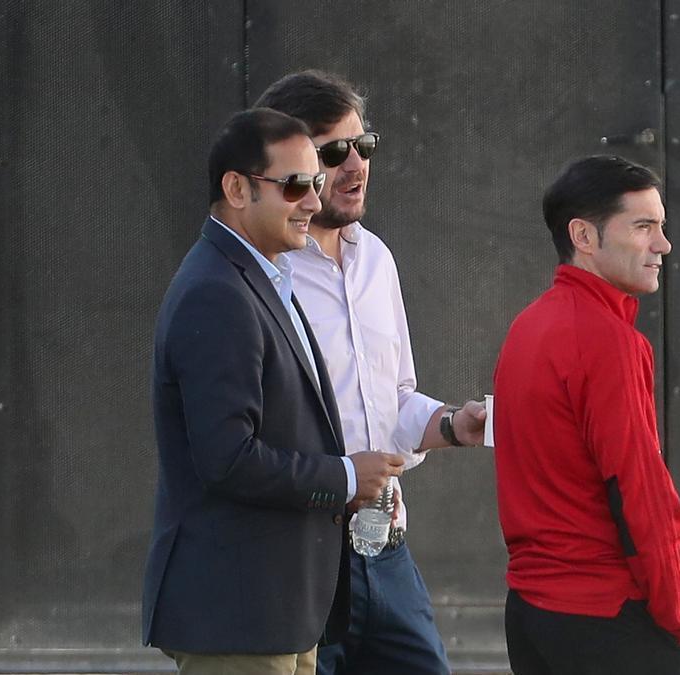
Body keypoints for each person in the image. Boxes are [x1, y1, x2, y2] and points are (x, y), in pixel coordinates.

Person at [142, 107, 406, 675]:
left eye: (314, 183)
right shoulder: (218, 292)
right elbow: (227, 459)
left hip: (277, 611)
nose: (313, 200)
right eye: (294, 186)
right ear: (236, 188)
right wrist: (344, 478)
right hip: (239, 613)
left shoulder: (258, 276)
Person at [255, 70, 487, 675]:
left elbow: (393, 400)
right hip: (301, 554)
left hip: (384, 549)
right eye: (335, 152)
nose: (356, 165)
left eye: (365, 145)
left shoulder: (375, 258)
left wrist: (453, 423)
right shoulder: (265, 274)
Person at [493, 155, 680, 674]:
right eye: (643, 227)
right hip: (606, 618)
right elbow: (639, 491)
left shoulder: (529, 325)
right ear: (583, 236)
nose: (663, 245)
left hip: (532, 614)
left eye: (662, 226)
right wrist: (679, 618)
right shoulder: (609, 342)